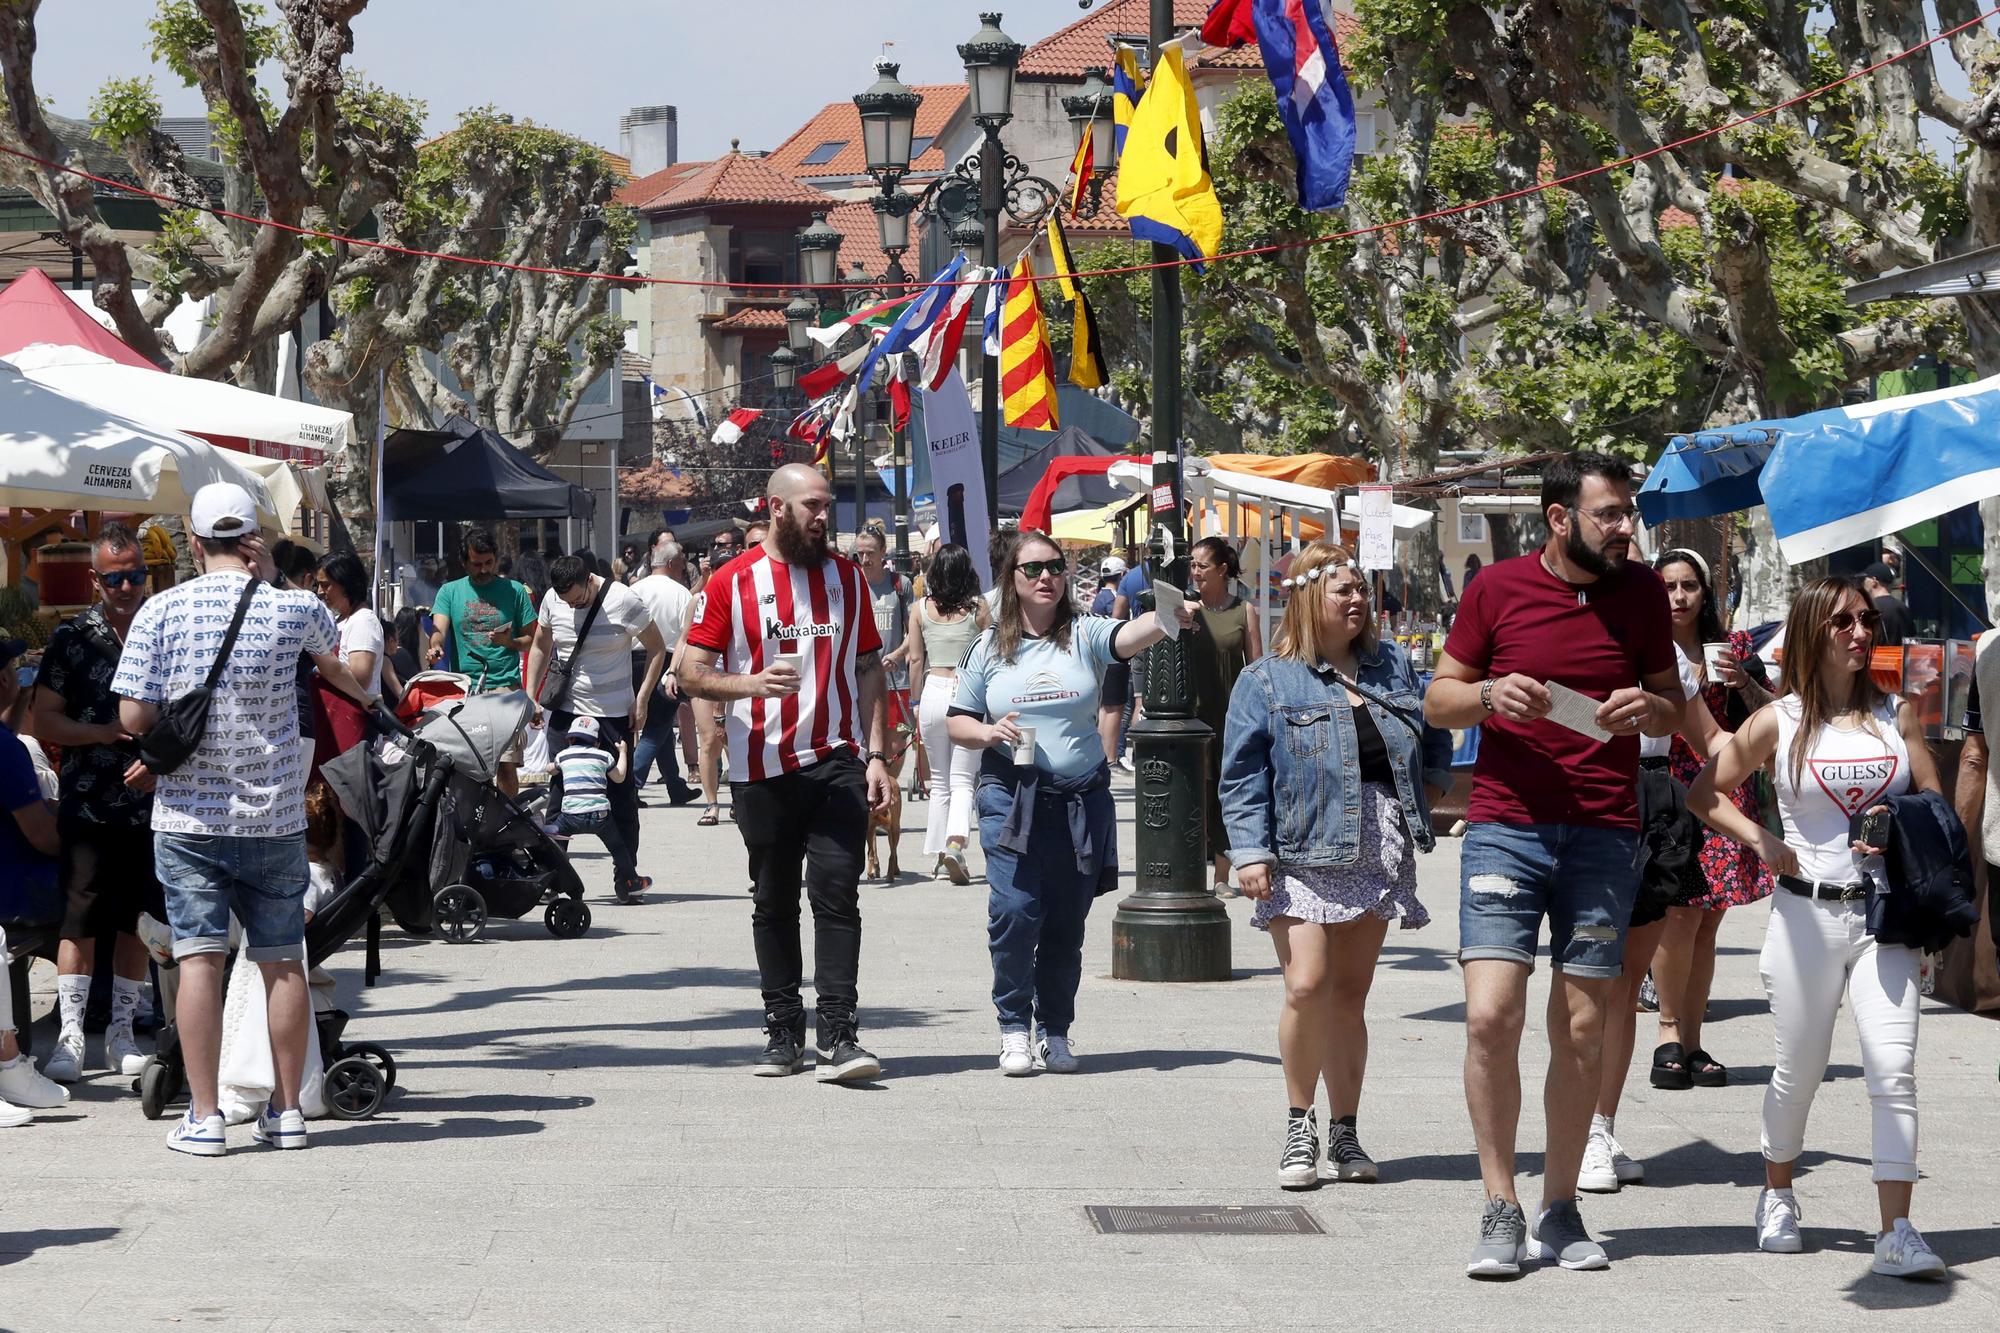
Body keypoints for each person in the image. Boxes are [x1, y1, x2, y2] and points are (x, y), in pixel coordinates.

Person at [1422, 451, 1682, 1276]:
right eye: (1609, 512)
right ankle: (1500, 1203)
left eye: (1628, 512)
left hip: (1604, 830)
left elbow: (1674, 702)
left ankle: (1560, 1207)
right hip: (1508, 825)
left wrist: (1652, 709)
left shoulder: (1641, 594)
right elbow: (1439, 696)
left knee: (1579, 1025)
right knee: (1490, 1016)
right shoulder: (1495, 588)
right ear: (1560, 517)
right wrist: (1491, 694)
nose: (1625, 526)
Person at [1687, 576, 1948, 1279]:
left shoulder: (1899, 714)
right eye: (1843, 622)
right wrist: (1761, 840)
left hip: (1883, 919)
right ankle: (1777, 1195)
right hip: (1804, 914)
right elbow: (1702, 791)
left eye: (1866, 619)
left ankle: (1896, 1229)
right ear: (1812, 631)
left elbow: (1931, 801)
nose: (1860, 632)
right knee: (1797, 1069)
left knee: (1893, 1070)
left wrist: (1899, 830)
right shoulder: (1781, 719)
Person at [113, 482, 376, 1157]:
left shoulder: (159, 610)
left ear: (195, 542)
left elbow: (133, 720)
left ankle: (205, 1117)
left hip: (189, 817)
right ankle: (288, 1111)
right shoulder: (295, 607)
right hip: (275, 813)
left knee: (200, 958)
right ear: (253, 540)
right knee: (282, 960)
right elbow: (345, 674)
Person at [1220, 543, 1448, 1187]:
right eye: (1342, 589)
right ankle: (1300, 1124)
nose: (1357, 600)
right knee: (1306, 985)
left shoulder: (1392, 665)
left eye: (1360, 590)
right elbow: (1240, 776)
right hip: (1299, 846)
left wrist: (1427, 794)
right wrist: (1250, 851)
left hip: (1377, 845)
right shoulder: (1266, 679)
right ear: (1307, 598)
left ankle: (1346, 1134)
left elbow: (1434, 731)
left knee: (1349, 998)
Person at [947, 531, 1192, 1077]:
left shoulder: (1084, 633)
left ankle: (1054, 1031)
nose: (1044, 578)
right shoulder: (987, 647)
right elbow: (957, 720)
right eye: (1031, 569)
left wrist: (1170, 613)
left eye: (1054, 568)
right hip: (1011, 796)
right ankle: (1013, 1026)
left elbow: (1130, 636)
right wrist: (989, 732)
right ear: (1011, 580)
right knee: (1014, 911)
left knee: (1064, 921)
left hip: (1079, 798)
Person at [680, 464, 893, 1083]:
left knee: (838, 895)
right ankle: (782, 1027)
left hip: (837, 763)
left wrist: (877, 752)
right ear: (777, 508)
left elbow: (870, 666)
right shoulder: (730, 582)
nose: (825, 518)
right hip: (761, 767)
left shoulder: (848, 578)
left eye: (827, 506)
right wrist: (750, 683)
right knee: (773, 901)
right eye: (813, 507)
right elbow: (692, 673)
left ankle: (839, 1032)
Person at [31, 525, 163, 1086]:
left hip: (148, 804)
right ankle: (71, 1035)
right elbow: (45, 719)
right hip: (86, 806)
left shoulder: (164, 630)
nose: (127, 586)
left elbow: (186, 714)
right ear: (95, 579)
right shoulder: (71, 639)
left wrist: (162, 764)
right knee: (79, 921)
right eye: (115, 578)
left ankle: (122, 1033)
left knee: (134, 922)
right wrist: (104, 732)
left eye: (135, 574)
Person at [1645, 550, 1774, 1096]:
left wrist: (1742, 681)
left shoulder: (1736, 648)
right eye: (1668, 586)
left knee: (1708, 922)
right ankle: (1668, 1033)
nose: (1678, 596)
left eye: (1689, 586)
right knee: (1677, 915)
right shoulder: (1648, 650)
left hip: (1724, 785)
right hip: (1666, 786)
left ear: (1706, 593)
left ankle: (1694, 1041)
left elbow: (1774, 713)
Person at [525, 554, 667, 902]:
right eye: (567, 602)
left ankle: (627, 878)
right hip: (566, 711)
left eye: (579, 600)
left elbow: (657, 648)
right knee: (559, 795)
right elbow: (541, 644)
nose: (573, 606)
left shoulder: (623, 599)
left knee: (620, 797)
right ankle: (554, 878)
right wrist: (530, 694)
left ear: (590, 579)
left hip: (612, 714)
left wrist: (643, 698)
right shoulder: (551, 600)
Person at [0, 635, 69, 1123]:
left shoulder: (6, 745)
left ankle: (10, 1061)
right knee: (99, 897)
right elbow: (46, 838)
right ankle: (102, 1020)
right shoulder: (7, 751)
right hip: (18, 893)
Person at [428, 529, 536, 792]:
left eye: (489, 562)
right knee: (470, 766)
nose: (484, 569)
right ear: (464, 562)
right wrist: (435, 646)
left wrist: (509, 643)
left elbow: (533, 640)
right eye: (477, 564)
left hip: (505, 690)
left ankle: (506, 822)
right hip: (467, 691)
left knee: (506, 764)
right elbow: (438, 630)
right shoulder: (450, 591)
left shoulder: (514, 591)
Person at [907, 543, 989, 884]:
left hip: (932, 691)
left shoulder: (919, 609)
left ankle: (940, 856)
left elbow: (915, 660)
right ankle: (955, 844)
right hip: (966, 694)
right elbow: (990, 656)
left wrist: (914, 702)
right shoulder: (978, 608)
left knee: (938, 782)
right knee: (963, 780)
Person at [1188, 537, 1262, 898]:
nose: (1195, 571)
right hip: (1191, 716)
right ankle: (1189, 871)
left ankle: (1221, 876)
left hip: (1232, 717)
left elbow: (1257, 668)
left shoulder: (1244, 610)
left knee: (1224, 791)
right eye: (1192, 564)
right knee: (1191, 792)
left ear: (1221, 570)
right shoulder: (1186, 608)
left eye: (1202, 565)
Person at [629, 542, 700, 806]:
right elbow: (687, 636)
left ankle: (675, 784)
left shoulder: (634, 590)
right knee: (657, 726)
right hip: (667, 661)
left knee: (661, 725)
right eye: (682, 559)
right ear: (671, 563)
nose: (685, 564)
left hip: (632, 659)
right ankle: (632, 784)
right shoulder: (681, 593)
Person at [548, 716, 640, 900]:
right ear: (597, 743)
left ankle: (552, 882)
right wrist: (622, 752)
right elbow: (620, 777)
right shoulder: (603, 756)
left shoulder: (564, 755)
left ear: (570, 739)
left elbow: (551, 769)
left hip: (569, 817)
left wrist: (554, 766)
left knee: (554, 844)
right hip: (600, 817)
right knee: (618, 847)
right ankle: (631, 880)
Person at [311, 553, 383, 768]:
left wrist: (322, 667)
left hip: (353, 724)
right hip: (334, 721)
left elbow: (360, 676)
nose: (320, 592)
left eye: (326, 585)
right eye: (318, 585)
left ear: (346, 584)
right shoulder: (341, 620)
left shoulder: (363, 621)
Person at [1093, 556, 1130, 769]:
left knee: (1105, 709)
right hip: (1114, 660)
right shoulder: (1112, 599)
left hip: (1103, 660)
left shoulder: (1100, 597)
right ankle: (1109, 756)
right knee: (1114, 709)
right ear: (1122, 575)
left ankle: (1104, 755)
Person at [1860, 562, 1912, 646]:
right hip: (1901, 657)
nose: (1863, 583)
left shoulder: (1870, 608)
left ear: (1874, 581)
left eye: (1865, 579)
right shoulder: (1903, 607)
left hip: (1878, 658)